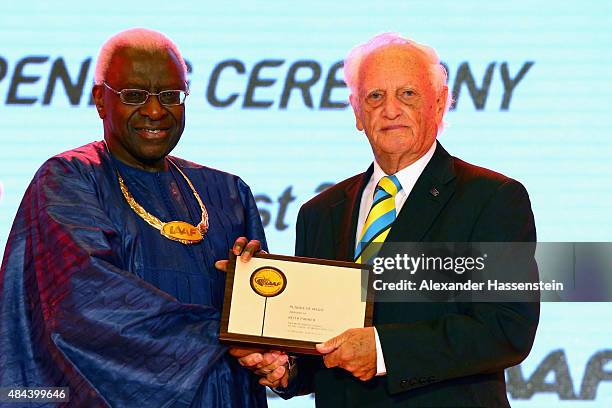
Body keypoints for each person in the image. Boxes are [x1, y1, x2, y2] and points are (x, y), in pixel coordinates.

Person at [253, 33, 540, 407]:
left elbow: (507, 327)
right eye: (375, 96)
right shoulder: (319, 213)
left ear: (439, 104)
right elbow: (319, 346)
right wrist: (286, 369)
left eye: (407, 94)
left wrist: (383, 350)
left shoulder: (492, 198)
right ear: (357, 112)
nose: (390, 110)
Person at [0, 28, 271, 407]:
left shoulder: (227, 194)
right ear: (99, 100)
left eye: (170, 95)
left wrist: (274, 342)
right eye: (133, 95)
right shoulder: (69, 179)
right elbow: (88, 301)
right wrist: (220, 333)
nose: (155, 110)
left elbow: (267, 317)